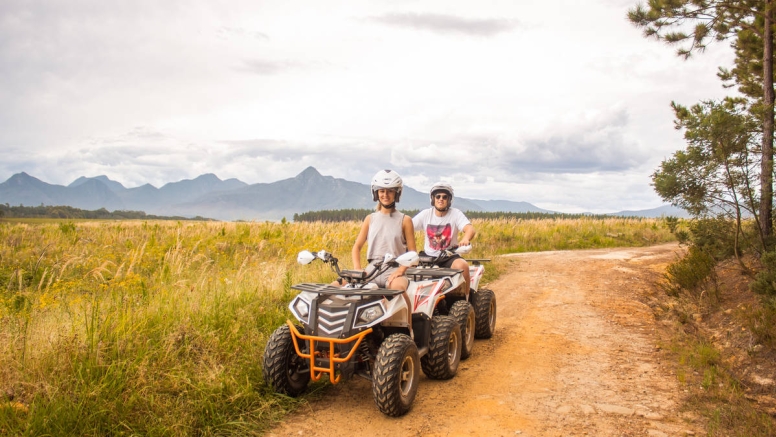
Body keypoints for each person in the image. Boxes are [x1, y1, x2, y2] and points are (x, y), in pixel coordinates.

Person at [349, 169, 416, 291]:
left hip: (394, 268)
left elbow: (413, 254)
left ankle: (408, 311)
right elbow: (356, 247)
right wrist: (357, 269)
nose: (385, 194)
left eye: (390, 191)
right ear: (376, 193)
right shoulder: (370, 219)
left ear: (397, 193)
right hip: (372, 269)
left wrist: (401, 270)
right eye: (382, 191)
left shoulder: (405, 220)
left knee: (397, 290)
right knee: (342, 284)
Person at [412, 182, 476, 295]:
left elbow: (469, 228)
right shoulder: (426, 214)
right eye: (438, 196)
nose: (441, 199)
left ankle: (466, 299)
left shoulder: (455, 214)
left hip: (449, 256)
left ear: (449, 200)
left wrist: (466, 238)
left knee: (463, 266)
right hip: (428, 257)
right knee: (408, 270)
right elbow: (409, 227)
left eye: (444, 197)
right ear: (433, 198)